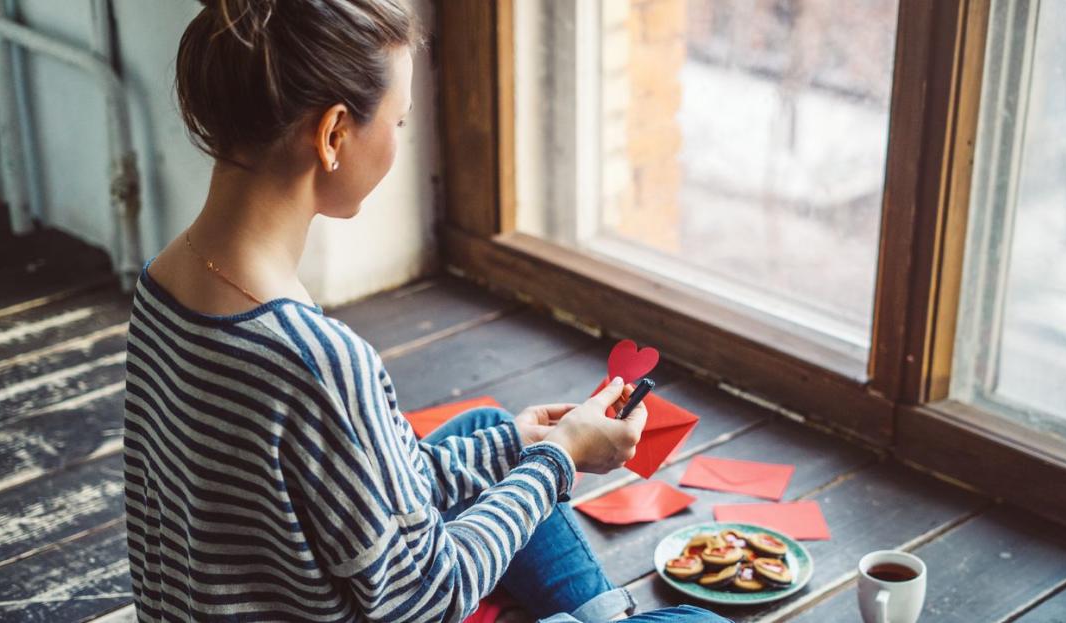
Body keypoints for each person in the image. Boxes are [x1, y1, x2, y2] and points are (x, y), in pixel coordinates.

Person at [123, 1, 729, 621]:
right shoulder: (316, 362)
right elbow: (427, 600)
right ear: (334, 135)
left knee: (488, 430)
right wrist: (560, 459)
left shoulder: (163, 280)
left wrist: (525, 443)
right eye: (400, 123)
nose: (399, 140)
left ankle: (597, 613)